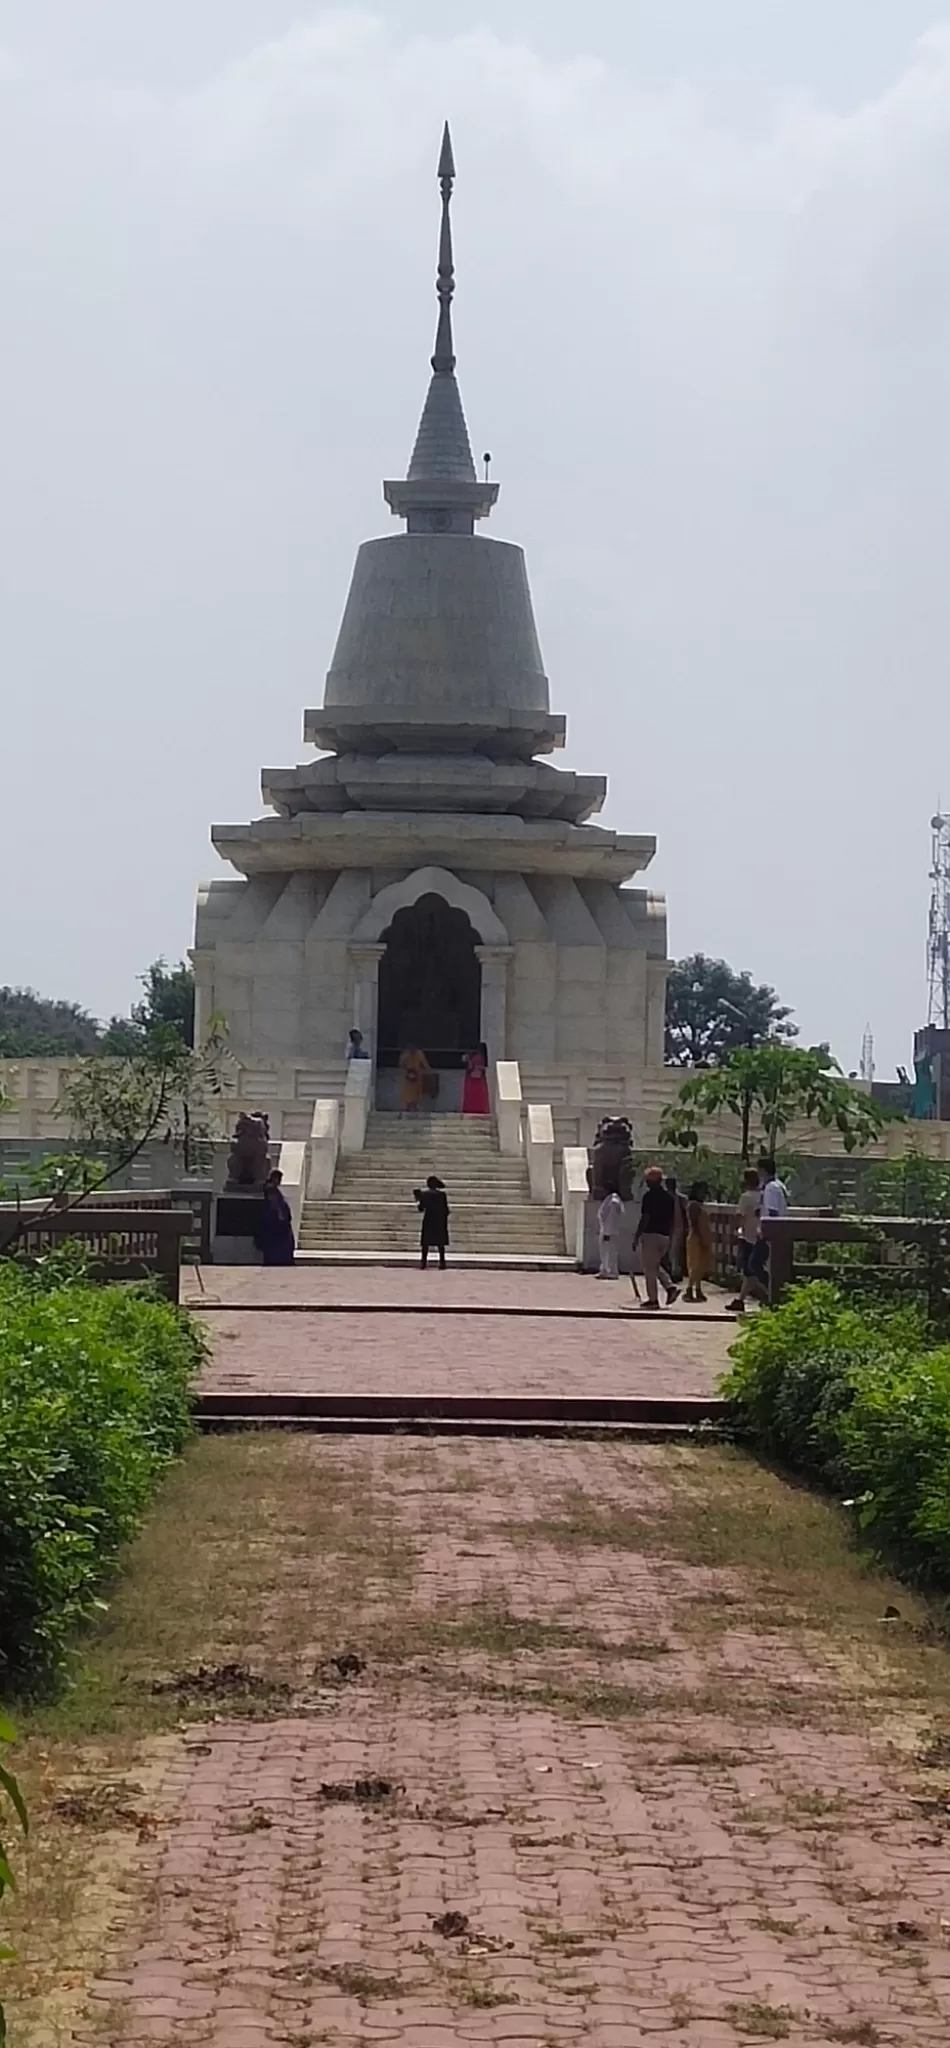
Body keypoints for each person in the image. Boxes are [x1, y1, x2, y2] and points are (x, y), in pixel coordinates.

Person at [742, 1156, 789, 1307]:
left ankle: (774, 1292)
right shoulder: (779, 1186)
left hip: (770, 1232)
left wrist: (766, 1232)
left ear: (763, 1171)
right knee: (767, 1264)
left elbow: (773, 1212)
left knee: (754, 1264)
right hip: (779, 1231)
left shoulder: (770, 1188)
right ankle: (773, 1293)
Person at [632, 1166, 680, 1309]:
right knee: (655, 1265)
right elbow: (672, 1219)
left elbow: (645, 1217)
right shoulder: (669, 1198)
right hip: (664, 1236)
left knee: (649, 1270)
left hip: (651, 1235)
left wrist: (637, 1236)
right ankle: (670, 1287)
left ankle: (653, 1300)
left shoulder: (649, 1197)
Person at [727, 1167, 762, 1314]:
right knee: (754, 1269)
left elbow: (740, 1217)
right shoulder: (763, 1196)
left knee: (749, 1269)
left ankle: (759, 1296)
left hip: (748, 1236)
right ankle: (741, 1299)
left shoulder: (745, 1197)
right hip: (762, 1235)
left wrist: (736, 1231)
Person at [255, 1168, 296, 1266]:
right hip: (273, 1221)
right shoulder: (270, 1189)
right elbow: (274, 1204)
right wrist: (280, 1214)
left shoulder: (271, 1189)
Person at [683, 1180, 713, 1303]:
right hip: (696, 1237)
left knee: (701, 1265)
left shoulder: (699, 1205)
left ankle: (698, 1288)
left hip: (702, 1236)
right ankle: (690, 1289)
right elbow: (694, 1223)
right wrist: (701, 1238)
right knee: (695, 1265)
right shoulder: (693, 1205)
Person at [414, 1174, 450, 1269]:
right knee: (440, 1243)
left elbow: (421, 1208)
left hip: (429, 1219)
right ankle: (442, 1262)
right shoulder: (442, 1195)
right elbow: (446, 1210)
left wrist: (418, 1199)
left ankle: (423, 1262)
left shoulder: (425, 1194)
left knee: (425, 1243)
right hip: (439, 1220)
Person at [665, 1174, 689, 1282]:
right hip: (666, 1227)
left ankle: (675, 1272)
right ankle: (671, 1270)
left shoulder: (681, 1198)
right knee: (668, 1250)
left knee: (674, 1250)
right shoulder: (664, 1196)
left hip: (677, 1226)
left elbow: (686, 1213)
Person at [597, 1189, 623, 1280]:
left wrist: (607, 1232)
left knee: (610, 1251)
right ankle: (605, 1270)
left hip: (609, 1232)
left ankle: (612, 1271)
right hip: (607, 1230)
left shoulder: (613, 1202)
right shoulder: (609, 1200)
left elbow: (611, 1219)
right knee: (605, 1252)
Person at [399, 1042, 431, 1112]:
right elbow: (401, 1064)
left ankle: (416, 1106)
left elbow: (425, 1064)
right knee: (408, 1091)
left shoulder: (419, 1054)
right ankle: (407, 1107)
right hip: (408, 1074)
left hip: (418, 1074)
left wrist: (428, 1070)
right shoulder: (405, 1054)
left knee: (417, 1091)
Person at [461, 1044, 491, 1117]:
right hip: (480, 1080)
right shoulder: (482, 1058)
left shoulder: (476, 1057)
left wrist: (468, 1060)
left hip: (472, 1080)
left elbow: (471, 1066)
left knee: (472, 1097)